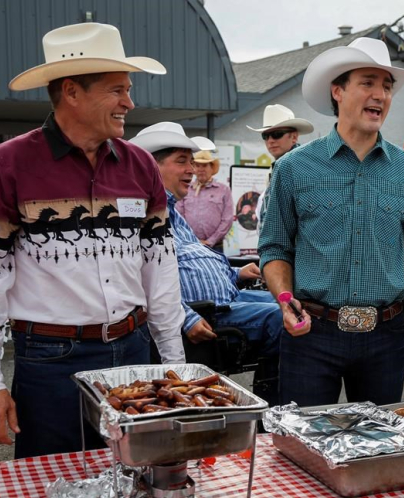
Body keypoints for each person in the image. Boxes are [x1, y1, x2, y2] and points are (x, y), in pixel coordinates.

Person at [259, 37, 404, 407]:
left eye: (386, 86)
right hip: (311, 334)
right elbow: (275, 248)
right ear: (338, 91)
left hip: (386, 336)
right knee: (305, 446)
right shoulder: (293, 168)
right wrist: (284, 299)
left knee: (378, 449)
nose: (380, 94)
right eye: (367, 82)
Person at [0, 23, 185, 458]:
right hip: (49, 362)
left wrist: (176, 366)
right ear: (71, 92)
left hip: (134, 351)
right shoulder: (9, 165)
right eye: (117, 90)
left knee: (140, 473)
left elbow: (160, 271)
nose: (130, 103)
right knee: (55, 479)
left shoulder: (141, 165)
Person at [130, 122, 283, 405]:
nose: (191, 169)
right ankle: (270, 409)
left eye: (192, 161)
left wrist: (236, 272)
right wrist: (185, 316)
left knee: (291, 304)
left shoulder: (171, 211)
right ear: (152, 166)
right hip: (208, 312)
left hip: (230, 295)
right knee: (282, 318)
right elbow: (141, 280)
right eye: (182, 161)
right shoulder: (143, 215)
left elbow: (196, 259)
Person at [250, 104, 314, 227]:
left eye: (277, 134)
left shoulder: (302, 167)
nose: (270, 140)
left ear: (294, 137)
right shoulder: (278, 167)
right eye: (265, 136)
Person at [176, 149, 234, 251]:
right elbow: (179, 216)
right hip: (189, 245)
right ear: (193, 168)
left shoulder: (223, 190)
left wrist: (211, 241)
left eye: (204, 165)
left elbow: (227, 219)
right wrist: (192, 239)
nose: (200, 169)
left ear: (211, 168)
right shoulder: (185, 189)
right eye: (197, 165)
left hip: (216, 246)